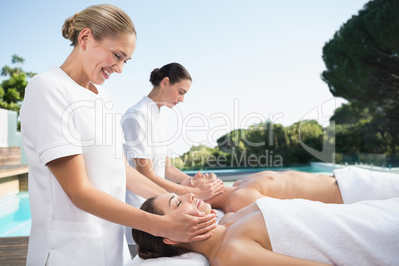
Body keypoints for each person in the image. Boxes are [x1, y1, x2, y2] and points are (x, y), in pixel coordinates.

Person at [20, 4, 216, 266]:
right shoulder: (48, 89)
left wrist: (180, 199)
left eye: (125, 60)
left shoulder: (105, 97)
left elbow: (121, 170)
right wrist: (160, 225)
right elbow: (78, 190)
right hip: (67, 252)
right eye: (116, 55)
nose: (120, 68)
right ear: (86, 38)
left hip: (113, 248)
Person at [132, 191, 399, 266]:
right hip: (381, 236)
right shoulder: (232, 254)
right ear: (169, 236)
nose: (189, 196)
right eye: (177, 202)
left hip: (376, 213)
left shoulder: (229, 221)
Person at [121, 63, 224, 251]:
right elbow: (147, 175)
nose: (182, 99)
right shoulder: (136, 116)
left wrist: (194, 182)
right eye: (181, 92)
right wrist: (191, 195)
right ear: (166, 82)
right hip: (143, 210)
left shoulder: (156, 116)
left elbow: (167, 168)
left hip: (163, 206)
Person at [182, 166, 399, 212]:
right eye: (193, 181)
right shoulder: (238, 201)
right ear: (201, 196)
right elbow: (293, 215)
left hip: (349, 178)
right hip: (352, 194)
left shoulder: (238, 186)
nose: (199, 174)